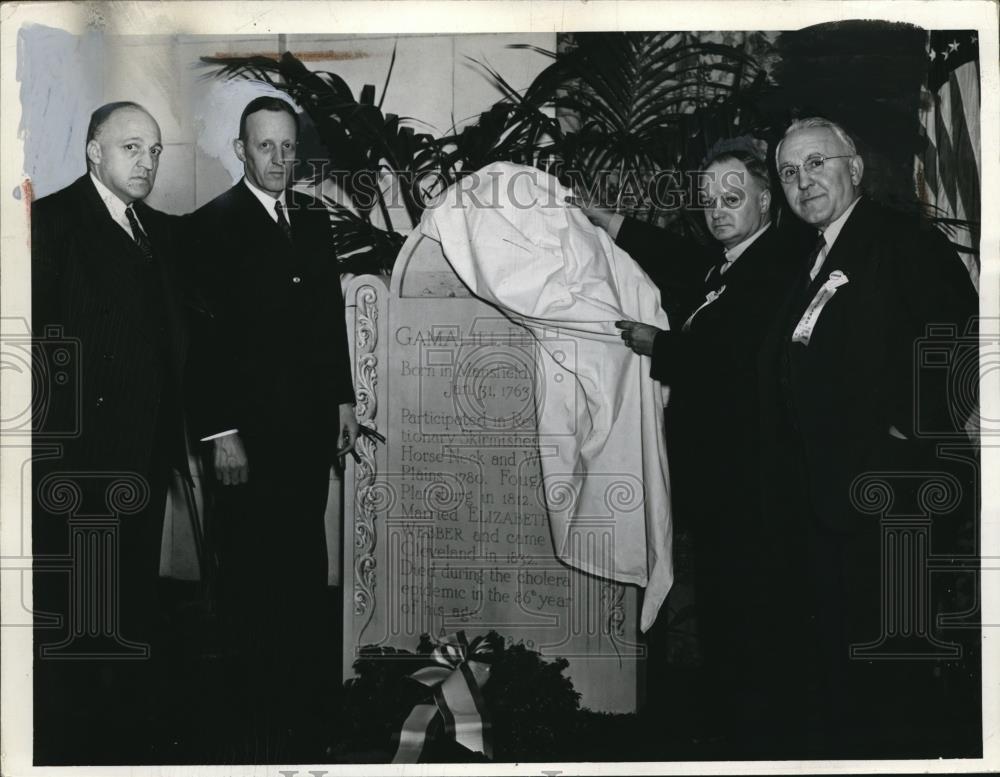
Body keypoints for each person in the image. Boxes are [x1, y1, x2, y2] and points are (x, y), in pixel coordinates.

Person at [758, 117, 978, 758]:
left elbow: (962, 338)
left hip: (894, 496)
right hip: (832, 502)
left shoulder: (900, 241)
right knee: (849, 671)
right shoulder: (817, 253)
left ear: (855, 169)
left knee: (893, 674)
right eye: (791, 173)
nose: (804, 181)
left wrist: (910, 429)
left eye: (817, 164)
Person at [188, 95, 358, 760]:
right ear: (242, 150)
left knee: (300, 565)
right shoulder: (213, 225)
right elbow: (200, 344)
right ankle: (250, 718)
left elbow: (327, 321)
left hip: (307, 433)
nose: (281, 159)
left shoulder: (312, 220)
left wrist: (342, 400)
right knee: (250, 574)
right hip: (245, 443)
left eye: (289, 148)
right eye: (267, 147)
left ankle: (301, 705)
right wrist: (220, 431)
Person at [31, 101, 190, 763]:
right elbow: (30, 346)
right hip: (78, 457)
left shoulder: (155, 230)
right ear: (94, 150)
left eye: (154, 151)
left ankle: (122, 736)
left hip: (145, 450)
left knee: (127, 600)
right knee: (75, 609)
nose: (146, 162)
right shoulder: (53, 221)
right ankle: (66, 746)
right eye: (131, 148)